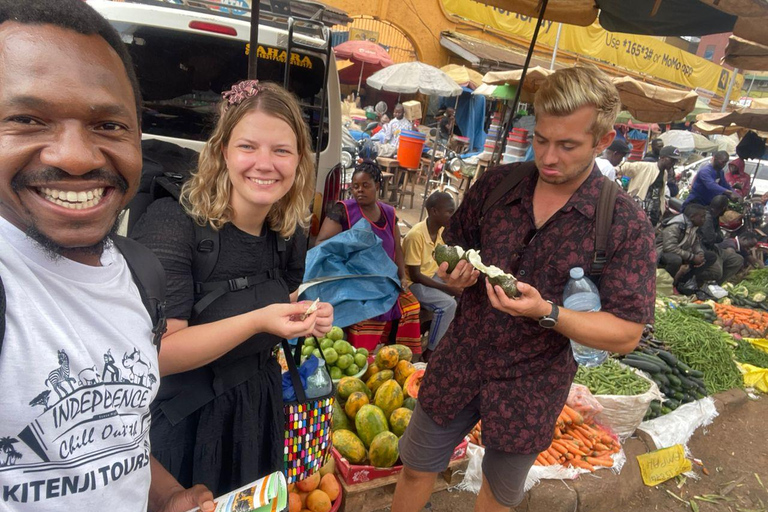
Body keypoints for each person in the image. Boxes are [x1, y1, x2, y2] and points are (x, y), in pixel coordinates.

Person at [391, 66, 656, 512]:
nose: (549, 157)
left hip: (532, 385)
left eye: (567, 145)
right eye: (541, 139)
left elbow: (627, 332)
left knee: (497, 495)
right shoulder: (498, 185)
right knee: (417, 465)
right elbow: (452, 247)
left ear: (602, 141)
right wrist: (454, 272)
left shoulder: (625, 224)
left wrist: (547, 312)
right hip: (460, 358)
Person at [0, 1, 215, 510]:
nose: (74, 156)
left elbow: (115, 439)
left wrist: (166, 496)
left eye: (108, 125)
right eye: (28, 119)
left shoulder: (140, 273)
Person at [131, 81, 333, 496]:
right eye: (248, 147)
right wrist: (259, 321)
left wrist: (303, 311)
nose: (265, 164)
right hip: (185, 423)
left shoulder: (289, 229)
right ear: (223, 151)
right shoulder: (173, 223)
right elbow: (158, 355)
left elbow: (276, 297)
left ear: (299, 160)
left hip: (257, 411)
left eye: (281, 150)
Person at [316, 161, 422, 356]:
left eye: (366, 185)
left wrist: (402, 277)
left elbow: (397, 248)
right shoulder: (344, 211)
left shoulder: (389, 213)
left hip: (386, 282)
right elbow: (320, 244)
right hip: (354, 283)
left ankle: (398, 356)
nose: (359, 191)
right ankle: (361, 358)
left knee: (412, 306)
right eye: (355, 186)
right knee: (366, 315)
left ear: (377, 186)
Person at [402, 192, 459, 362]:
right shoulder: (416, 235)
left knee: (466, 289)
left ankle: (451, 340)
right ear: (434, 212)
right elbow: (416, 275)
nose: (452, 215)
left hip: (432, 277)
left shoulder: (441, 231)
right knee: (448, 304)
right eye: (449, 212)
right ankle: (431, 352)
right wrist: (448, 288)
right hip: (414, 283)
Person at [617, 146, 681, 227]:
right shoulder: (646, 166)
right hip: (638, 209)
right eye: (671, 160)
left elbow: (658, 192)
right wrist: (615, 170)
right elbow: (624, 167)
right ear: (662, 157)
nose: (673, 163)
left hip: (652, 213)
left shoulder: (665, 173)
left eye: (675, 161)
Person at [657, 203, 717, 289]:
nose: (704, 220)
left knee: (710, 256)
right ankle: (666, 284)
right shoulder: (675, 225)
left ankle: (682, 281)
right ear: (692, 217)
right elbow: (669, 247)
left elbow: (696, 243)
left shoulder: (694, 226)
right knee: (675, 260)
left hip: (682, 251)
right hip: (663, 252)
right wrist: (692, 257)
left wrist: (700, 254)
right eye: (702, 217)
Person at [698, 195, 744, 285]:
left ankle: (717, 285)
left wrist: (717, 236)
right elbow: (710, 239)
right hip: (705, 249)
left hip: (714, 248)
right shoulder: (707, 217)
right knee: (717, 272)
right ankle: (697, 280)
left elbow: (719, 236)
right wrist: (717, 236)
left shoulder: (715, 216)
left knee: (737, 259)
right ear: (723, 208)